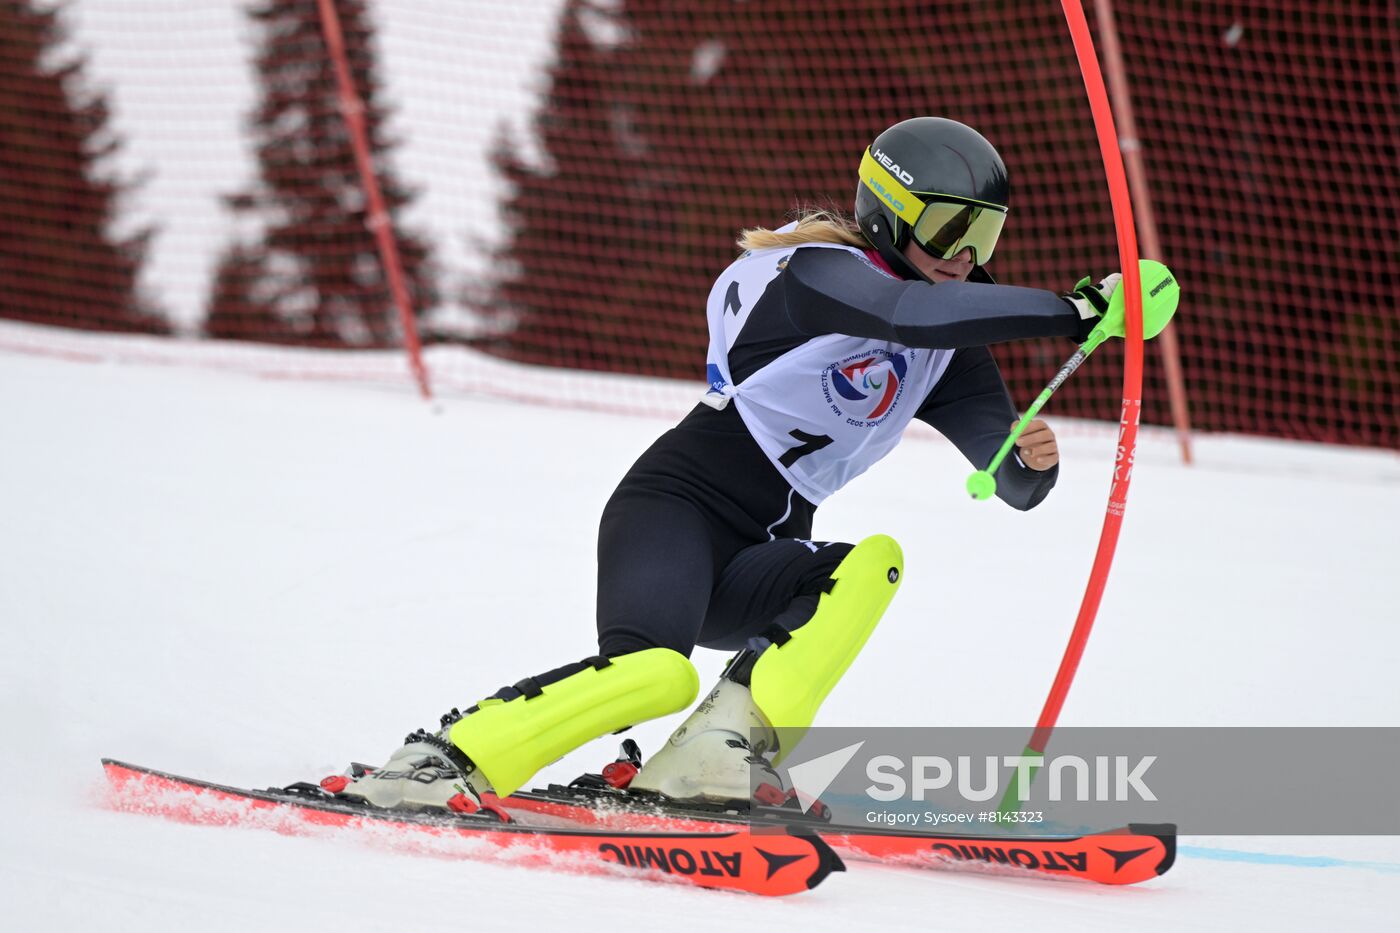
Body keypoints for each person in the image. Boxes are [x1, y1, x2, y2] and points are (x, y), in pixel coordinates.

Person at [338, 117, 1124, 812]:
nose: (966, 257)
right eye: (950, 229)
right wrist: (1076, 311)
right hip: (673, 510)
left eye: (984, 237)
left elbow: (1015, 483)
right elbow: (903, 312)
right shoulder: (820, 273)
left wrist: (1031, 460)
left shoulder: (948, 353)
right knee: (655, 674)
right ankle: (443, 759)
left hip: (758, 556)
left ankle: (712, 755)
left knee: (871, 564)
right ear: (889, 213)